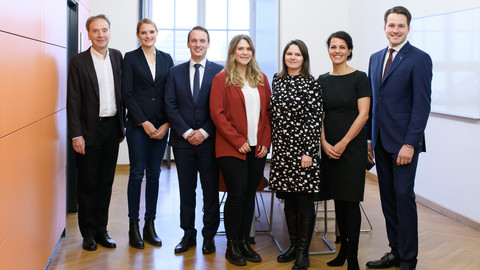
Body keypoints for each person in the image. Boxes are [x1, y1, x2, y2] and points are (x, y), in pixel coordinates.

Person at [365, 6, 432, 270]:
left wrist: (409, 144)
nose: (395, 30)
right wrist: (369, 139)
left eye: (400, 26)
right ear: (384, 28)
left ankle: (408, 259)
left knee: (404, 198)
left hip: (404, 144)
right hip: (380, 142)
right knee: (388, 199)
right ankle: (394, 251)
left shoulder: (419, 59)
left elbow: (421, 106)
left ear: (408, 28)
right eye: (391, 25)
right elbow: (374, 102)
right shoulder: (375, 58)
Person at [210, 34, 271, 266]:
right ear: (233, 52)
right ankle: (232, 246)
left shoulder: (261, 78)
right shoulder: (222, 79)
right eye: (240, 49)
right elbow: (218, 114)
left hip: (257, 148)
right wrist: (237, 140)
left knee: (249, 194)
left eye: (248, 49)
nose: (244, 53)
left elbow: (267, 114)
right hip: (231, 147)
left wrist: (265, 141)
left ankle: (245, 242)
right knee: (236, 193)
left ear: (252, 52)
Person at [67, 14, 125, 251]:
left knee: (106, 182)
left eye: (104, 30)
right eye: (95, 30)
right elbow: (73, 100)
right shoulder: (78, 62)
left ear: (110, 32)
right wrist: (76, 134)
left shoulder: (118, 57)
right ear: (88, 33)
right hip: (88, 131)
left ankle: (102, 230)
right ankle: (88, 233)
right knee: (88, 183)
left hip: (112, 128)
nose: (100, 34)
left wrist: (123, 125)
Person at [164, 26, 223, 254]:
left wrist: (204, 132)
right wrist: (188, 132)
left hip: (210, 142)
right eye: (194, 40)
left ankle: (209, 236)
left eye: (202, 41)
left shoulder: (220, 72)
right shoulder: (174, 72)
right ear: (188, 44)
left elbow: (220, 108)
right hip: (182, 142)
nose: (198, 44)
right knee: (186, 191)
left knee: (210, 192)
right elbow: (169, 106)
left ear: (208, 44)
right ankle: (188, 234)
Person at [317, 31, 371, 270]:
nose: (337, 51)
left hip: (351, 147)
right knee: (338, 199)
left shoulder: (360, 77)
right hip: (329, 147)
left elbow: (364, 114)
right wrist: (324, 143)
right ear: (328, 50)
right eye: (333, 47)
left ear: (349, 50)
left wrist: (343, 142)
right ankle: (342, 252)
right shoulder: (322, 79)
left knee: (350, 201)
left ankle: (353, 258)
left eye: (342, 47)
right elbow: (318, 115)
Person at [268, 40, 323, 270]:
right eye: (289, 54)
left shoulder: (312, 83)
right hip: (281, 150)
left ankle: (303, 251)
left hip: (303, 151)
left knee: (303, 198)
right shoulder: (277, 80)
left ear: (304, 58)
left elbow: (315, 119)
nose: (292, 57)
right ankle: (292, 245)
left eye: (297, 54)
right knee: (288, 197)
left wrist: (308, 152)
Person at [121, 18, 173, 249]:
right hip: (138, 127)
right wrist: (143, 122)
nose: (148, 36)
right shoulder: (130, 58)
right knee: (136, 174)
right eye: (143, 32)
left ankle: (150, 225)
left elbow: (171, 93)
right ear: (138, 35)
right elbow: (127, 94)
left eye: (151, 32)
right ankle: (134, 225)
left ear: (157, 33)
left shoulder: (166, 58)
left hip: (161, 126)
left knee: (154, 174)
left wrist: (167, 124)